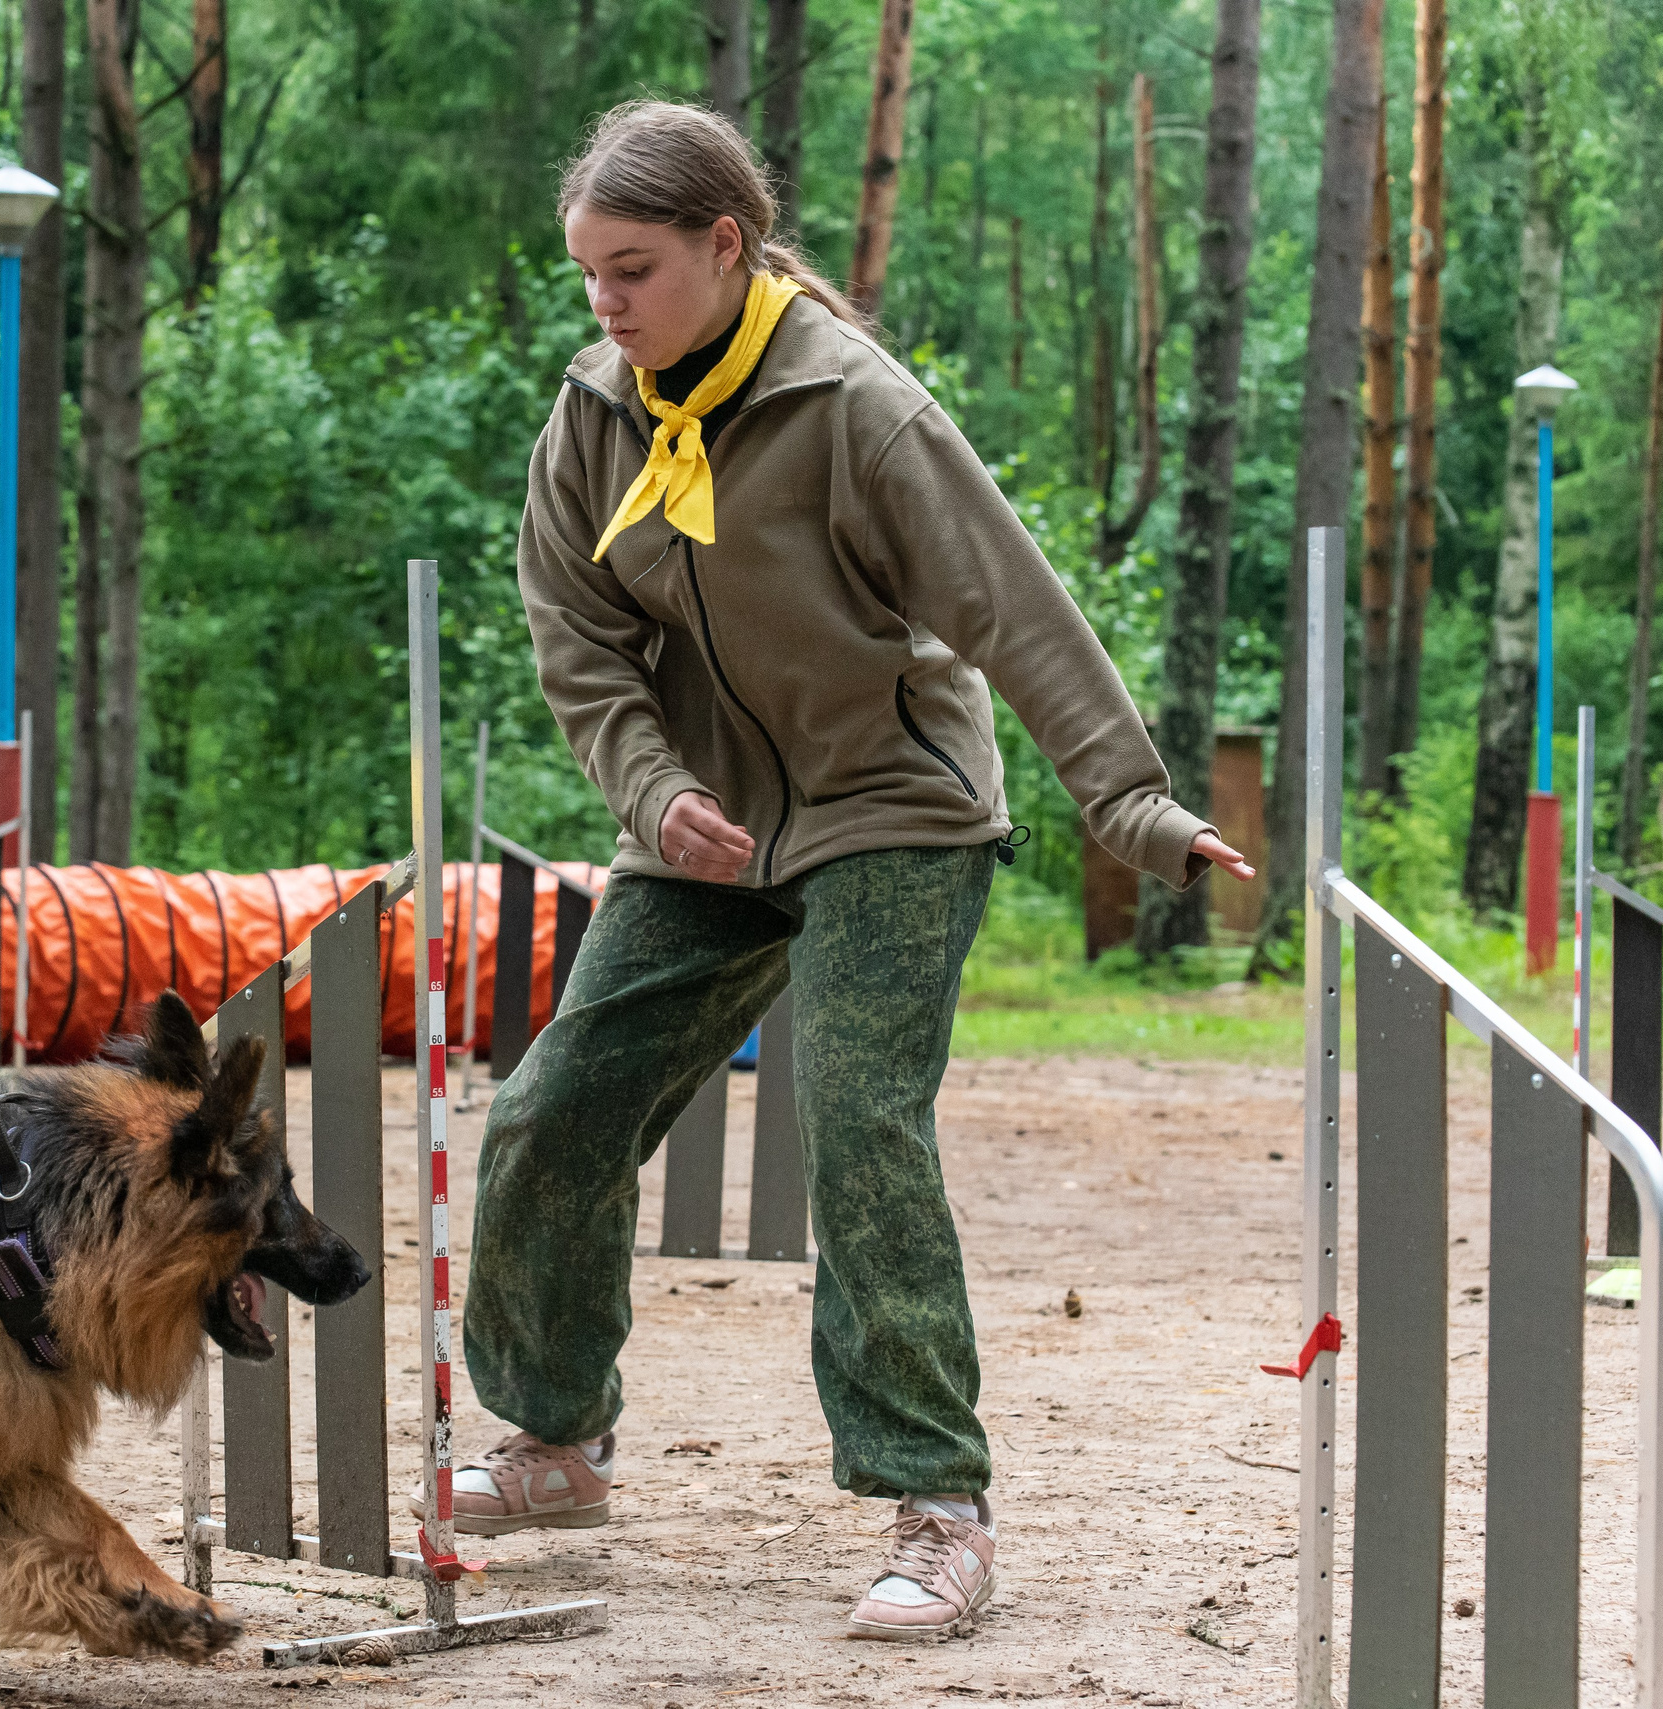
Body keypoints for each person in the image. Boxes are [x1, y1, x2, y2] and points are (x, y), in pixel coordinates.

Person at [443, 100, 1255, 1643]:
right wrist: (658, 792)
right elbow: (578, 640)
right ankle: (557, 1437)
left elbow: (1016, 607)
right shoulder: (594, 415)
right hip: (703, 823)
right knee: (554, 1104)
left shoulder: (856, 407)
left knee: (860, 1119)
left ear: (725, 246)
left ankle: (939, 1502)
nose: (605, 303)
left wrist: (1135, 805)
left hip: (893, 804)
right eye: (588, 273)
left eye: (633, 270)